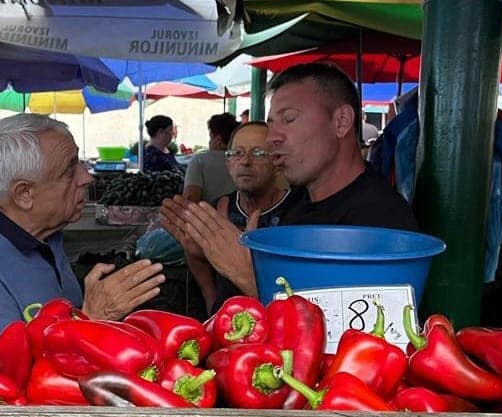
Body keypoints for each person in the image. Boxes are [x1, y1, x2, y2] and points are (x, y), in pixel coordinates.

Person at [161, 62, 417, 300]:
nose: (272, 137)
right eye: (272, 123)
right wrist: (208, 258)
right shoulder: (291, 205)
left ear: (341, 122)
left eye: (289, 119)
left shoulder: (383, 225)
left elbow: (350, 337)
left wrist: (248, 275)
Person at [0, 113, 166, 372]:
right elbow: (7, 390)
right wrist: (91, 320)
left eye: (78, 161)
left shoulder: (42, 229)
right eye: (69, 171)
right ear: (24, 194)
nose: (86, 177)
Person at [165, 121, 294, 312]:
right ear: (227, 163)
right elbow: (194, 253)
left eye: (258, 153)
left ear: (276, 163)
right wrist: (210, 295)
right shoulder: (215, 211)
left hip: (280, 322)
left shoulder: (297, 213)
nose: (245, 161)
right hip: (225, 322)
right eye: (237, 153)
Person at [182, 112, 238, 205]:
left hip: (208, 216)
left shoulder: (199, 160)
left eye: (210, 136)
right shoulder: (242, 160)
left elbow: (191, 197)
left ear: (217, 139)